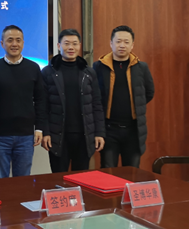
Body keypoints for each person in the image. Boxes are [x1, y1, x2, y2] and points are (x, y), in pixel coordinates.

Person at [42, 29, 105, 172]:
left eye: (75, 43)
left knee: (81, 177)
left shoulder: (89, 72)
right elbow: (43, 106)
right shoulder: (48, 72)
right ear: (59, 46)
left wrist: (99, 133)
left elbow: (96, 104)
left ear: (79, 46)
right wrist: (46, 132)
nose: (71, 47)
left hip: (84, 136)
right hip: (58, 136)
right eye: (66, 43)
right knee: (58, 178)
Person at [0, 25, 48, 178]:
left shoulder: (33, 68)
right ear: (2, 43)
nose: (14, 44)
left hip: (26, 135)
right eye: (10, 40)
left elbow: (40, 100)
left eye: (18, 40)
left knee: (23, 180)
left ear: (23, 43)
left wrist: (39, 128)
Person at [93, 25, 154, 168]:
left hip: (133, 130)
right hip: (109, 129)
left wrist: (136, 105)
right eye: (118, 41)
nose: (122, 45)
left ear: (132, 45)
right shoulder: (99, 67)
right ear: (111, 43)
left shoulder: (141, 67)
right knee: (108, 171)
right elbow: (95, 96)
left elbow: (149, 92)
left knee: (132, 173)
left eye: (126, 42)